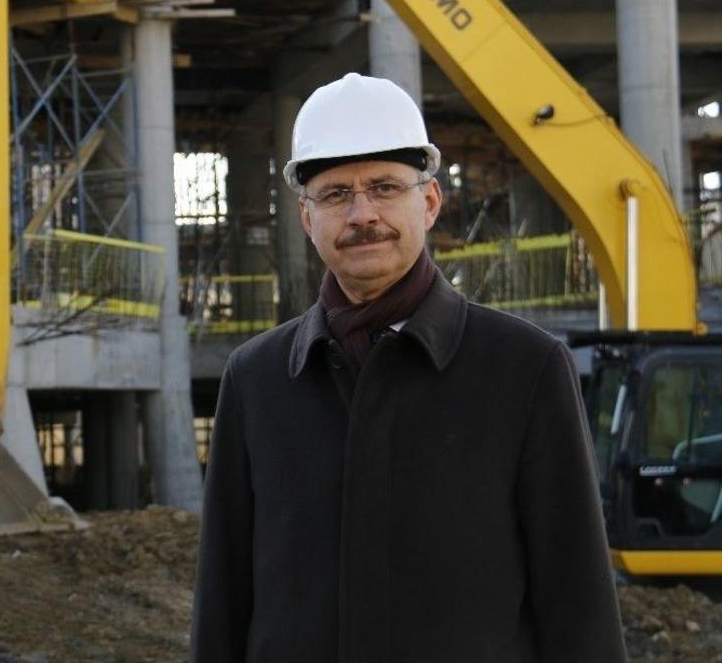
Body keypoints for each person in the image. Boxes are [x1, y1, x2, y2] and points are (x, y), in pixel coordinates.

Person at [190, 73, 626, 663]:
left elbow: (577, 602)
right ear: (305, 217)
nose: (362, 213)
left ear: (429, 202)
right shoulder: (257, 380)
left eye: (385, 187)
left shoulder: (523, 370)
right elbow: (223, 601)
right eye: (336, 193)